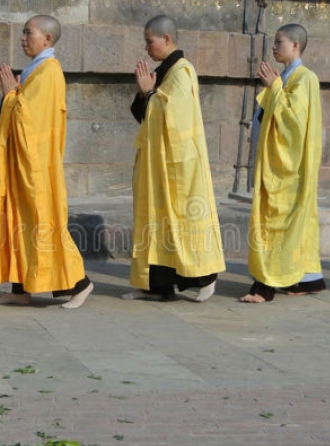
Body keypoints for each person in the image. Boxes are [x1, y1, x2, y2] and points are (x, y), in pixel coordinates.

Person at [0, 15, 93, 309]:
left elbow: (26, 119)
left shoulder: (48, 72)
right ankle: (20, 289)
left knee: (45, 225)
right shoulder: (36, 69)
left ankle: (80, 284)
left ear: (47, 39)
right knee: (20, 224)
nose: (22, 38)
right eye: (22, 32)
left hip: (37, 168)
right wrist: (12, 98)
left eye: (28, 33)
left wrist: (10, 96)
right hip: (22, 164)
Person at [124, 15, 225, 302]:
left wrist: (149, 94)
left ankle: (205, 278)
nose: (146, 48)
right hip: (158, 164)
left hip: (179, 166)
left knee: (183, 222)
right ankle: (157, 287)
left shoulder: (182, 71)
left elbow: (176, 116)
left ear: (166, 39)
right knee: (156, 223)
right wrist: (147, 95)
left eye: (149, 41)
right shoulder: (165, 71)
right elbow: (147, 110)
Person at [239, 23, 325, 303]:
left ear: (296, 45)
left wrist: (275, 87)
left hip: (290, 169)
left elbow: (294, 123)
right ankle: (308, 280)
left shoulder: (304, 78)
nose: (274, 47)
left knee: (275, 223)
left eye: (279, 42)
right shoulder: (285, 78)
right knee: (292, 225)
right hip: (276, 162)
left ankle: (264, 286)